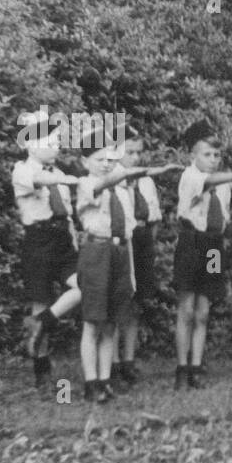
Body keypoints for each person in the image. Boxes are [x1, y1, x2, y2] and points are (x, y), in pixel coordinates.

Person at [173, 119, 232, 389]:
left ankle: (197, 365)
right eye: (206, 155)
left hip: (213, 246)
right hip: (192, 243)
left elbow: (231, 188)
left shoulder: (221, 182)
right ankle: (182, 367)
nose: (213, 160)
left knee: (204, 308)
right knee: (187, 308)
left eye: (216, 155)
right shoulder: (191, 176)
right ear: (192, 156)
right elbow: (212, 180)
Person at [12, 113, 82, 387]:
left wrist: (74, 240)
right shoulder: (23, 170)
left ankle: (42, 322)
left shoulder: (60, 174)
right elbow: (39, 181)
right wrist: (70, 182)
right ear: (30, 145)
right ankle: (41, 369)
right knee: (41, 298)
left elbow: (66, 215)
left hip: (63, 241)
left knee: (83, 285)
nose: (56, 146)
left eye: (57, 141)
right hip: (38, 241)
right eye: (49, 141)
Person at [74, 142, 139, 402]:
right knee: (93, 321)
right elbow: (98, 188)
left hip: (119, 253)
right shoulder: (86, 184)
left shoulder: (122, 190)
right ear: (85, 162)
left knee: (111, 322)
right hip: (96, 252)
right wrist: (120, 175)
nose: (106, 164)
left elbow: (128, 231)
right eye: (99, 159)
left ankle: (105, 379)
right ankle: (91, 383)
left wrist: (130, 271)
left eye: (111, 159)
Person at [114, 128, 178, 387]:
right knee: (120, 300)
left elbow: (154, 217)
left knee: (136, 302)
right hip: (121, 241)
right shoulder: (115, 177)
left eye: (139, 152)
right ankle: (113, 363)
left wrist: (148, 242)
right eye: (129, 152)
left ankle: (129, 360)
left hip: (141, 240)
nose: (135, 158)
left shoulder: (146, 182)